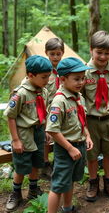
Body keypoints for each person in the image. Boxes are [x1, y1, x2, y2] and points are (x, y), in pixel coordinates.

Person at [4, 55, 52, 212]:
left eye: (48, 76)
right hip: (23, 135)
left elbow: (43, 112)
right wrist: (16, 140)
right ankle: (16, 193)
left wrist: (45, 130)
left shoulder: (43, 91)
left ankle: (33, 190)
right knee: (21, 166)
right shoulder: (20, 93)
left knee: (36, 162)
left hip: (38, 132)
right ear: (31, 75)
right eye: (44, 77)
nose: (47, 80)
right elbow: (11, 117)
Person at [81, 30, 109, 202]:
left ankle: (108, 182)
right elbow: (79, 101)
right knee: (91, 155)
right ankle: (93, 183)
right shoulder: (83, 74)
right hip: (90, 121)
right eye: (99, 52)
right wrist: (84, 129)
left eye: (107, 53)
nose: (103, 56)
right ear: (91, 49)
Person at [46, 57, 93, 213]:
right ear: (63, 79)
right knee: (59, 185)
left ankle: (67, 208)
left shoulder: (78, 97)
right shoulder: (59, 101)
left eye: (83, 78)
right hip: (66, 148)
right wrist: (70, 148)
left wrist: (87, 136)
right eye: (76, 79)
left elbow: (81, 121)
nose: (81, 82)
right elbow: (52, 130)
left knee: (71, 180)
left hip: (79, 145)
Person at [42, 37, 65, 179]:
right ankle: (45, 164)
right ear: (46, 53)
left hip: (62, 109)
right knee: (46, 137)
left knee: (61, 135)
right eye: (52, 54)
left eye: (58, 53)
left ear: (62, 53)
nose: (55, 57)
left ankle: (59, 162)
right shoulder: (43, 71)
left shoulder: (65, 70)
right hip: (46, 110)